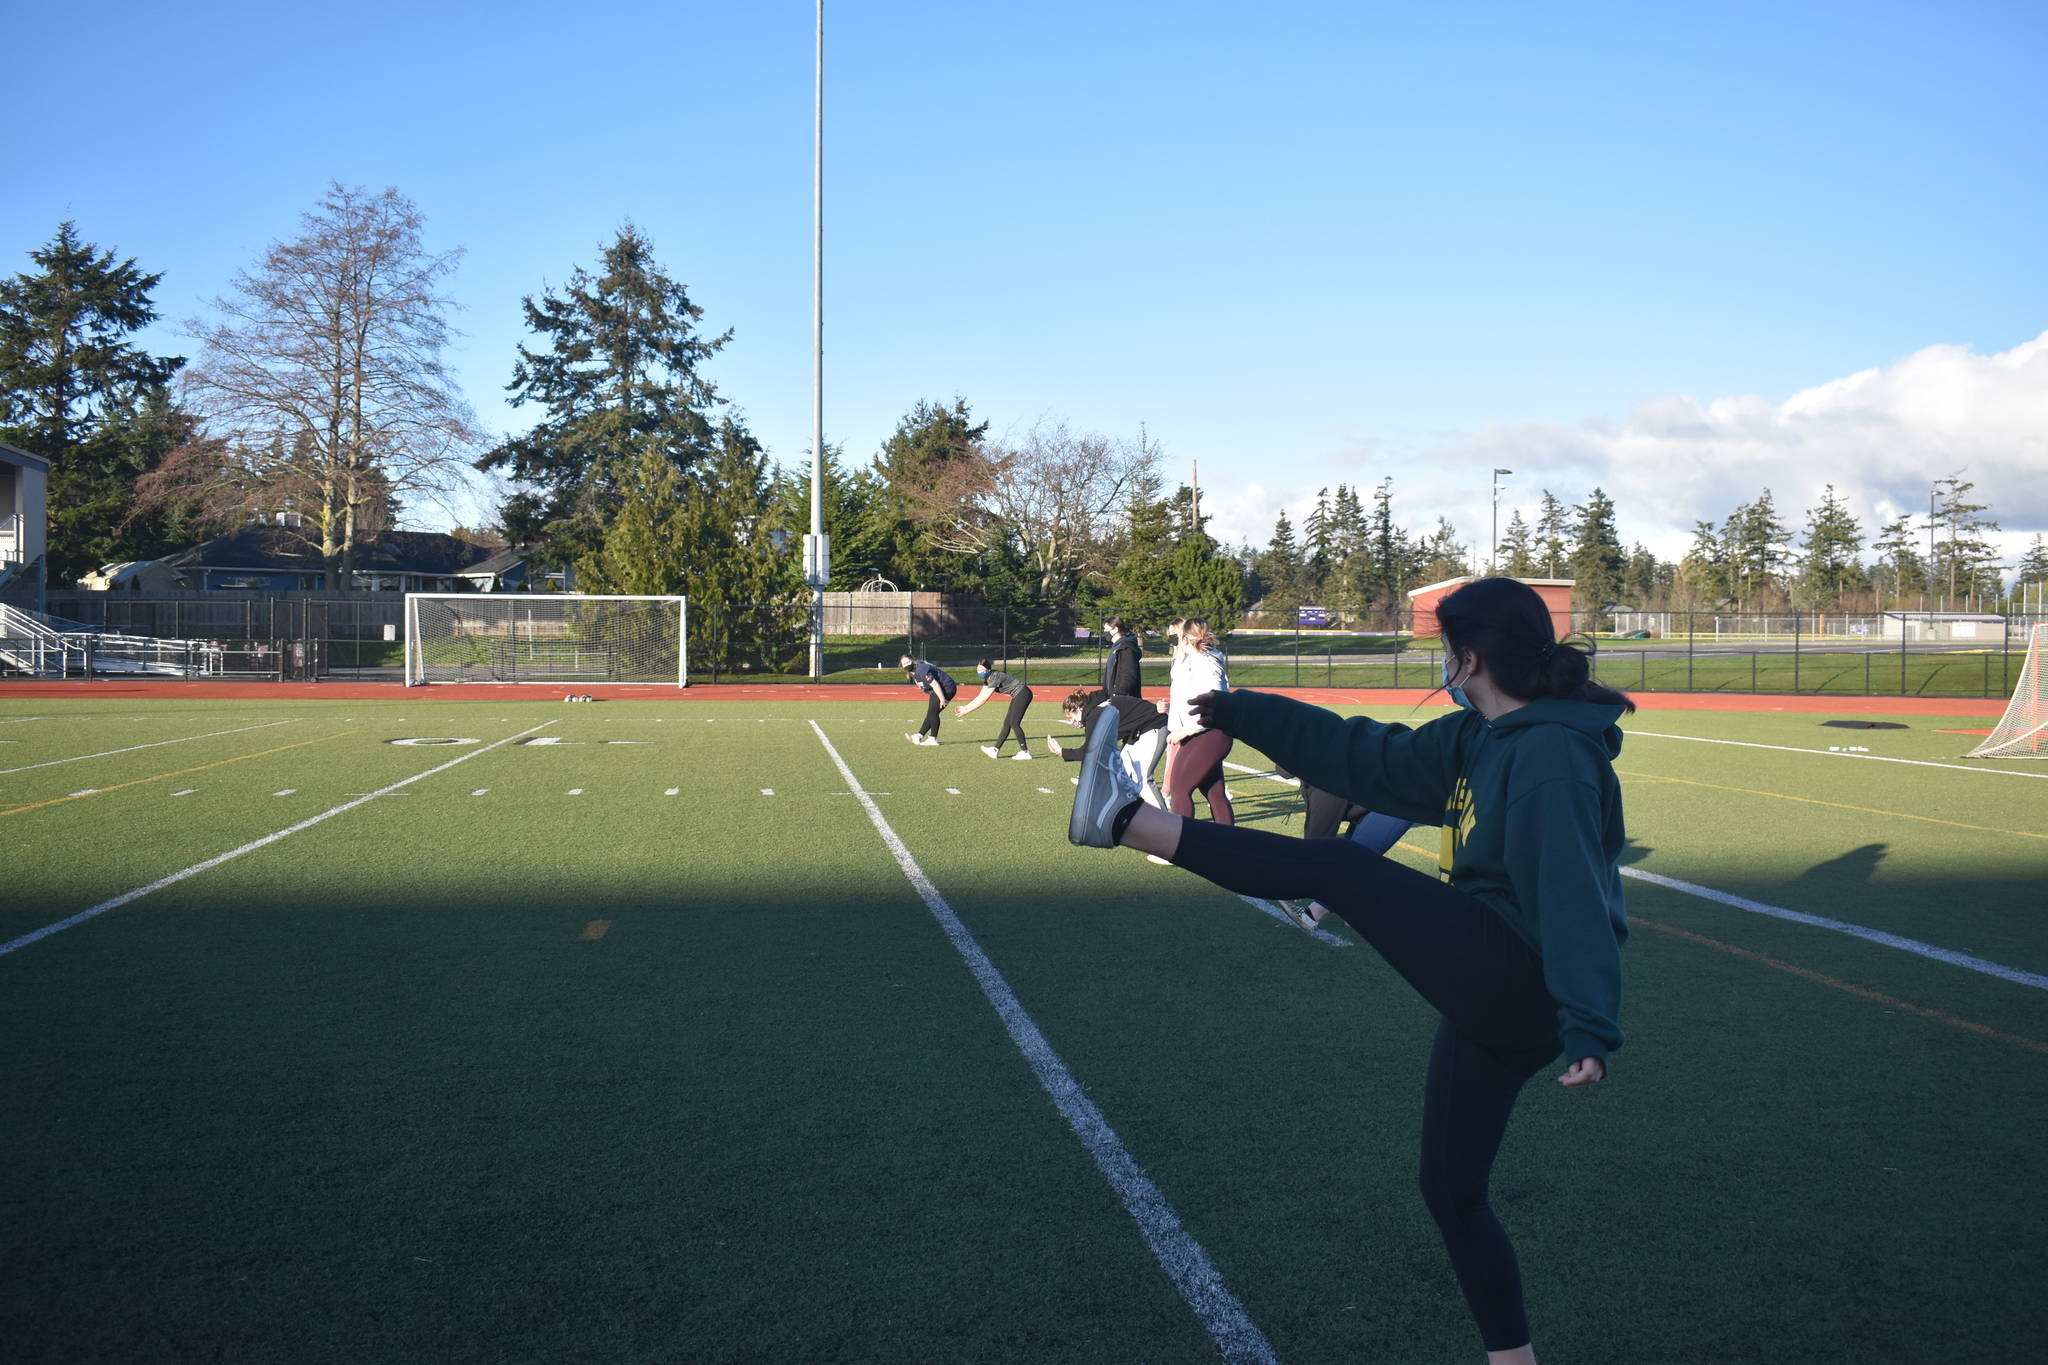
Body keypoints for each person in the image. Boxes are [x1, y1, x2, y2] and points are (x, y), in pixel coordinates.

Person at [1064, 577, 1631, 1365]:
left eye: (1442, 651)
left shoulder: (1552, 757)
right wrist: (1248, 712)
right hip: (1490, 985)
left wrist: (1589, 1023)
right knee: (1451, 1191)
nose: (1439, 663)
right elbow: (1364, 754)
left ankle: (1123, 820)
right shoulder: (1480, 739)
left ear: (1467, 660)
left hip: (1520, 974)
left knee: (1340, 868)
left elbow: (1574, 893)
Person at [1161, 617, 1233, 825]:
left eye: (1178, 636)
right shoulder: (1187, 660)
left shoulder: (1207, 662)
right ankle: (1232, 846)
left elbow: (1217, 703)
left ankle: (1180, 846)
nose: (1175, 640)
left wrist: (1187, 730)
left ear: (1186, 639)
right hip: (1196, 734)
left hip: (1209, 734)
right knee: (1214, 792)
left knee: (1180, 788)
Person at [1044, 687, 1167, 809]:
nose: (1072, 722)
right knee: (1120, 774)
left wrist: (1062, 752)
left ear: (1079, 708)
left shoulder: (1095, 715)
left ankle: (1166, 824)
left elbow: (1089, 751)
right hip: (1138, 732)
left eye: (1071, 717)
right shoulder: (1097, 706)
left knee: (1142, 780)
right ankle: (1132, 816)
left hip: (1153, 726)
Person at [955, 659, 1036, 759]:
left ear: (989, 669)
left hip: (1023, 694)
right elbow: (979, 697)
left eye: (982, 670)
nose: (980, 672)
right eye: (978, 670)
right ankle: (995, 750)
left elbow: (983, 700)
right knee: (1007, 723)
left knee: (1014, 723)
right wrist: (965, 707)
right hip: (1018, 695)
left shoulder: (994, 677)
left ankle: (1025, 752)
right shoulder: (987, 679)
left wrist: (966, 712)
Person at [899, 653, 957, 746]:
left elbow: (935, 684)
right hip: (937, 690)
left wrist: (942, 699)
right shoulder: (912, 673)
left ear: (912, 661)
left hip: (946, 687)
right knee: (931, 713)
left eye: (908, 662)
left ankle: (932, 739)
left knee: (933, 713)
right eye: (904, 664)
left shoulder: (921, 669)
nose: (906, 664)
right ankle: (918, 736)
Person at [1101, 618, 1143, 700]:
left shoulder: (1126, 648)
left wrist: (1118, 695)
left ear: (1115, 629)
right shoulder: (1115, 647)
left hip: (1123, 700)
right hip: (1113, 698)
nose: (1104, 631)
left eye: (1106, 629)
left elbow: (1129, 676)